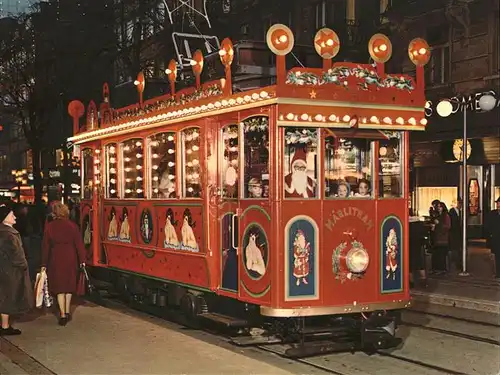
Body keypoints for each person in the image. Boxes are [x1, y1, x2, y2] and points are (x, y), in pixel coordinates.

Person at [41, 202, 86, 326]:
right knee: (69, 286)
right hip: (71, 257)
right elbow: (79, 245)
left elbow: (46, 246)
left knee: (60, 287)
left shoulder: (50, 227)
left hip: (56, 257)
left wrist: (43, 263)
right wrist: (82, 260)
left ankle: (62, 314)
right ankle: (67, 311)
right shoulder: (73, 226)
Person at [0, 204, 33, 335]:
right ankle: (5, 326)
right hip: (11, 271)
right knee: (8, 297)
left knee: (4, 296)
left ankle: (4, 325)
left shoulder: (5, 232)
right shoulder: (8, 234)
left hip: (5, 269)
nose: (14, 216)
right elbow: (16, 255)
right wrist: (23, 264)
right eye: (11, 214)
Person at [430, 201, 451, 274]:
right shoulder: (437, 216)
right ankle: (435, 269)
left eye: (440, 207)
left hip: (443, 238)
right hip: (437, 237)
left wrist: (439, 224)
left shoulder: (446, 216)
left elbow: (448, 226)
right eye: (438, 207)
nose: (439, 208)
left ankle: (442, 269)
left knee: (441, 254)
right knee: (436, 254)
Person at [485, 197, 500, 278]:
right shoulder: (492, 213)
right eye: (497, 203)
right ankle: (498, 273)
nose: (498, 205)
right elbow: (488, 225)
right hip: (496, 239)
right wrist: (491, 234)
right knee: (497, 256)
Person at [448, 198, 463, 272]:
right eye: (459, 203)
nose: (460, 205)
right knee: (455, 249)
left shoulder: (461, 212)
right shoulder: (452, 211)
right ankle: (456, 264)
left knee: (458, 249)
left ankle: (459, 264)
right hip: (454, 233)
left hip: (459, 234)